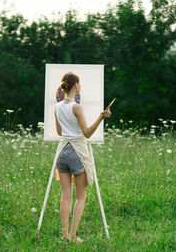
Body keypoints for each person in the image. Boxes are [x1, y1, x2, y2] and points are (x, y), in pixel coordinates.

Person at [54, 72, 111, 243]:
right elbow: (86, 133)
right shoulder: (76, 107)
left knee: (65, 197)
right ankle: (72, 236)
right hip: (76, 152)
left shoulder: (57, 106)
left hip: (62, 152)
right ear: (76, 85)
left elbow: (59, 132)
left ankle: (64, 236)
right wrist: (101, 117)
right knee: (80, 197)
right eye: (80, 84)